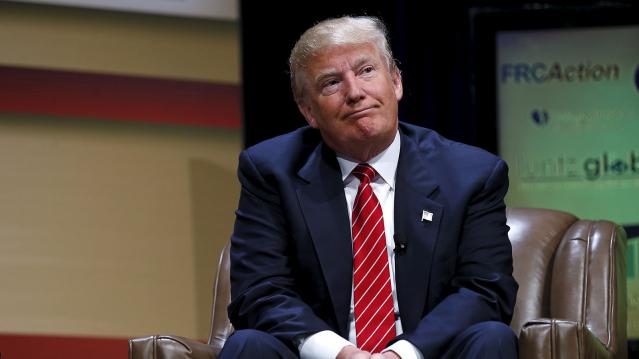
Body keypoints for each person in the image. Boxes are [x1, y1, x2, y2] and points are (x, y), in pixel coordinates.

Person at [220, 15, 518, 359]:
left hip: (426, 354)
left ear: (396, 82)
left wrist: (401, 354)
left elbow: (485, 290)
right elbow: (259, 291)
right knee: (248, 346)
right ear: (308, 111)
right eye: (331, 83)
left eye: (366, 71)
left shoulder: (471, 174)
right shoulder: (272, 171)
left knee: (491, 338)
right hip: (325, 354)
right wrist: (341, 353)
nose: (355, 93)